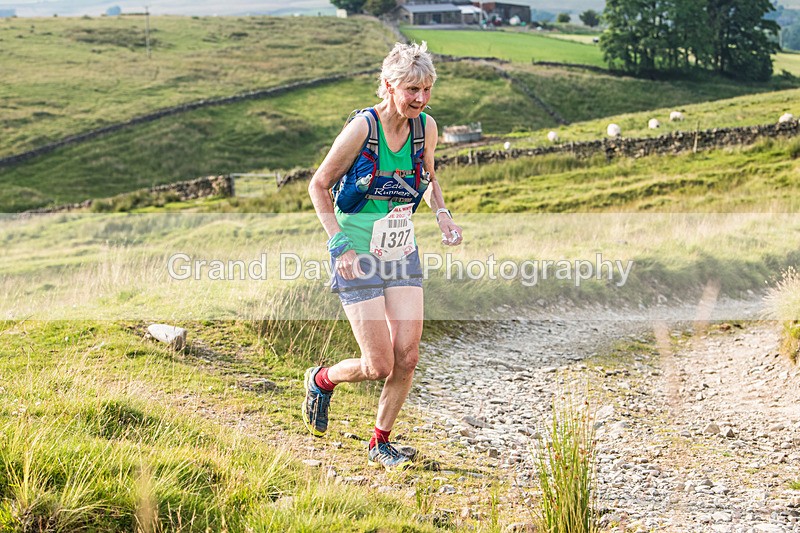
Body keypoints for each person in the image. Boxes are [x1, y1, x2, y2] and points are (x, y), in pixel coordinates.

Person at [304, 41, 463, 470]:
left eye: (427, 89)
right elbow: (318, 185)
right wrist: (337, 243)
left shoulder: (425, 127)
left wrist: (443, 215)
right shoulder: (363, 129)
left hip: (401, 251)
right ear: (389, 85)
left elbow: (427, 178)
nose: (421, 98)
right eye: (413, 89)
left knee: (407, 356)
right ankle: (322, 380)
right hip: (355, 253)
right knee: (378, 364)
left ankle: (380, 442)